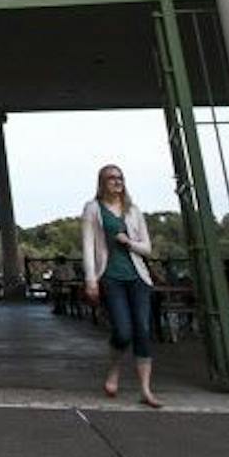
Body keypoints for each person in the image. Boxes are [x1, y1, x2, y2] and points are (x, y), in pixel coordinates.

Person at [82, 163, 162, 406]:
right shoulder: (93, 209)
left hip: (138, 277)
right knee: (123, 330)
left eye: (120, 178)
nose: (117, 182)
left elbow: (147, 247)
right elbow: (87, 245)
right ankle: (114, 367)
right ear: (102, 182)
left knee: (142, 330)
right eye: (111, 178)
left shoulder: (133, 211)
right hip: (111, 276)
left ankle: (145, 389)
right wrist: (90, 279)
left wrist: (128, 242)